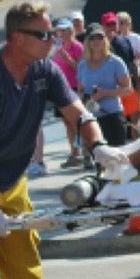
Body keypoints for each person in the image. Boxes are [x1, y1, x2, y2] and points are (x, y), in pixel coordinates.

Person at [0, 1, 108, 279]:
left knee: (25, 269)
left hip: (15, 182)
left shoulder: (45, 70)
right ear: (17, 38)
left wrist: (100, 147)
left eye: (52, 32)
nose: (52, 40)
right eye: (43, 35)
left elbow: (79, 114)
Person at [77, 25, 133, 146]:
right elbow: (80, 91)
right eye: (92, 38)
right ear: (87, 42)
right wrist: (89, 99)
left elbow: (128, 90)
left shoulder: (115, 62)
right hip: (92, 119)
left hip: (112, 115)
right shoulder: (83, 65)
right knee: (99, 161)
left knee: (117, 158)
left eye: (100, 37)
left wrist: (105, 93)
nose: (97, 41)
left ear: (105, 40)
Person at [101, 12, 140, 137]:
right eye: (108, 24)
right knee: (115, 121)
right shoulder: (99, 44)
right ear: (103, 26)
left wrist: (139, 82)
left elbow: (132, 63)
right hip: (110, 88)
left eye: (114, 24)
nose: (112, 27)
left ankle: (139, 148)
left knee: (136, 118)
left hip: (127, 84)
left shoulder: (125, 41)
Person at [52, 19, 87, 168]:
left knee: (78, 121)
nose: (60, 34)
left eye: (63, 31)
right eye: (58, 31)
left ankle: (85, 152)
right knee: (67, 122)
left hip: (74, 88)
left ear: (70, 31)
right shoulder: (58, 49)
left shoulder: (77, 47)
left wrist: (68, 59)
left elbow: (82, 68)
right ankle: (75, 153)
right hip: (61, 88)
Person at [117, 11, 140, 140]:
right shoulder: (113, 40)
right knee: (122, 112)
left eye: (121, 22)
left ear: (128, 24)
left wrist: (130, 55)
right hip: (118, 80)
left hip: (132, 77)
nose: (119, 25)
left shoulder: (135, 38)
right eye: (117, 22)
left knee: (135, 112)